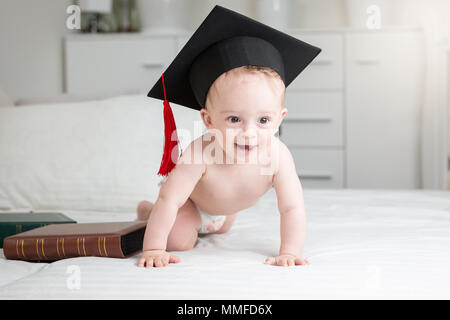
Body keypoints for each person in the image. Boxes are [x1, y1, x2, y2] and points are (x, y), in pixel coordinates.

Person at [137, 5, 321, 268]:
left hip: (224, 213)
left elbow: (291, 208)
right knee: (179, 241)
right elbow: (171, 199)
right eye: (234, 119)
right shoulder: (200, 153)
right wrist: (153, 248)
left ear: (279, 118)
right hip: (189, 203)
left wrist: (290, 251)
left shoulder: (277, 156)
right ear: (208, 120)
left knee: (220, 229)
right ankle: (146, 211)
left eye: (263, 120)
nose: (249, 133)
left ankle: (213, 223)